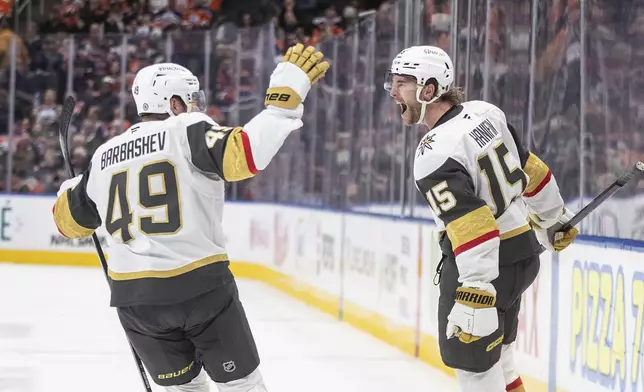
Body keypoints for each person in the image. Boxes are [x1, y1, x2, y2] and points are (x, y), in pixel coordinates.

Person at [51, 43, 329, 392]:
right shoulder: (187, 128)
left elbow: (69, 224)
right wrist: (281, 106)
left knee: (184, 389)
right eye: (192, 98)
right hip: (199, 288)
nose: (199, 106)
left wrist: (70, 190)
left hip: (135, 301)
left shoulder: (104, 155)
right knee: (241, 385)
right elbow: (245, 154)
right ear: (174, 104)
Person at [385, 45, 578, 392]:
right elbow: (529, 167)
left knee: (476, 375)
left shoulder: (434, 152)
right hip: (521, 254)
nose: (393, 91)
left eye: (402, 84)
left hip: (486, 269)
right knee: (502, 363)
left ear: (429, 90)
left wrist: (475, 289)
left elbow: (473, 226)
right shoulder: (486, 112)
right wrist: (552, 218)